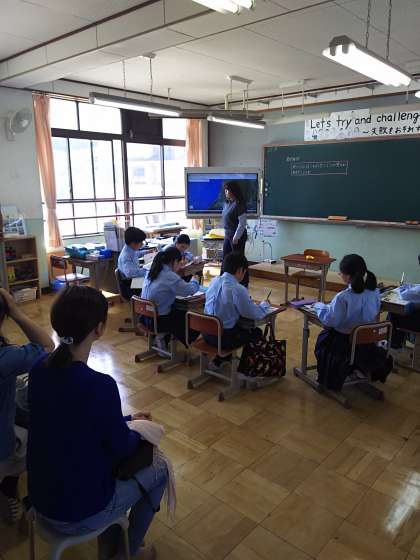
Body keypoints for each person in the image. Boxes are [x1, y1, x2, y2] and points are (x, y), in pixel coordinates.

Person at [27, 286, 167, 560]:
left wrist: (128, 419)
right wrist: (138, 431)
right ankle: (126, 553)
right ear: (100, 329)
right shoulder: (99, 386)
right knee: (160, 468)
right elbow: (121, 447)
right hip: (76, 512)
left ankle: (114, 546)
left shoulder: (39, 368)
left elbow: (73, 421)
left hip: (40, 497)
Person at [0, 288, 53, 525]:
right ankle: (9, 487)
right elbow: (47, 346)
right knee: (42, 432)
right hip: (2, 448)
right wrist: (16, 311)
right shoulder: (6, 358)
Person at [313, 254, 393, 391]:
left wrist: (318, 306)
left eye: (341, 273)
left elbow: (331, 321)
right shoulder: (374, 293)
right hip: (368, 342)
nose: (340, 275)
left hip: (344, 343)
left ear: (348, 276)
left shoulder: (343, 297)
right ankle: (357, 367)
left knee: (323, 339)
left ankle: (335, 374)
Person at [204, 252, 270, 366]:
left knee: (233, 327)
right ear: (240, 270)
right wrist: (264, 305)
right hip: (223, 339)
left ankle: (220, 360)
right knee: (256, 333)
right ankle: (247, 369)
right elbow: (252, 313)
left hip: (206, 333)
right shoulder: (237, 289)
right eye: (245, 272)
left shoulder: (214, 281)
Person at [141, 248, 200, 348]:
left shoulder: (152, 270)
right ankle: (163, 337)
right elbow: (189, 291)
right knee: (191, 318)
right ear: (174, 261)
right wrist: (195, 280)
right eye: (179, 263)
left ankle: (162, 338)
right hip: (158, 321)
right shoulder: (169, 276)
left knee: (176, 307)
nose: (180, 266)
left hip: (144, 317)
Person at [221, 180, 248, 286]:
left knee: (238, 262)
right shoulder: (227, 203)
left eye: (227, 190)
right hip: (228, 235)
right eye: (225, 190)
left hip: (237, 237)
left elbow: (242, 223)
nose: (226, 192)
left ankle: (243, 284)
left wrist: (236, 237)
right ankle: (223, 282)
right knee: (225, 259)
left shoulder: (239, 204)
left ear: (233, 191)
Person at [117, 227, 153, 299]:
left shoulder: (129, 249)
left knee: (154, 280)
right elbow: (130, 273)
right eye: (141, 242)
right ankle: (148, 301)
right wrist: (148, 271)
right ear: (133, 243)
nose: (142, 244)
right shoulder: (126, 255)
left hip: (133, 281)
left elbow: (136, 254)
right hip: (130, 286)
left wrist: (147, 252)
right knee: (154, 282)